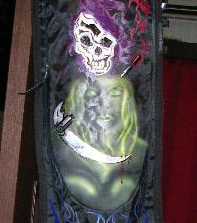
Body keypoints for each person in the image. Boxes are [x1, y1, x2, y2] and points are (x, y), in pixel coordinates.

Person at [52, 74, 147, 211]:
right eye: (91, 92)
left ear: (127, 99)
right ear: (79, 98)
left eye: (115, 92)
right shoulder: (62, 151)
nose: (104, 103)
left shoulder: (141, 151)